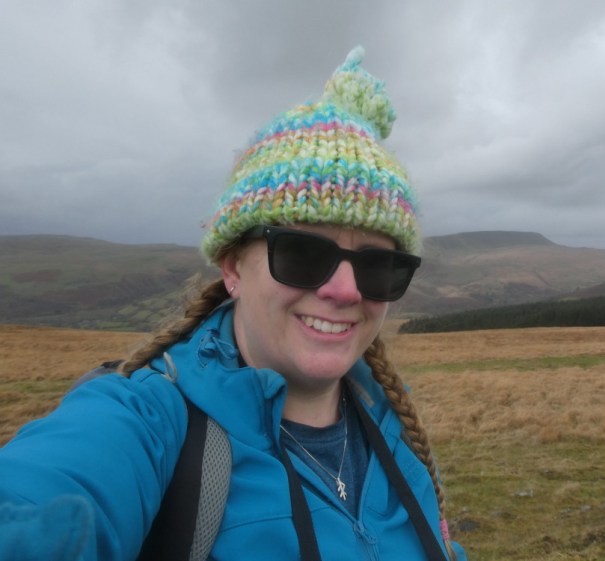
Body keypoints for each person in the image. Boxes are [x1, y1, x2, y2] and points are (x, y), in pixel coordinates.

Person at [0, 47, 467, 561]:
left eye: (378, 266)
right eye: (302, 252)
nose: (346, 291)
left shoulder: (394, 427)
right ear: (231, 267)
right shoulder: (150, 423)